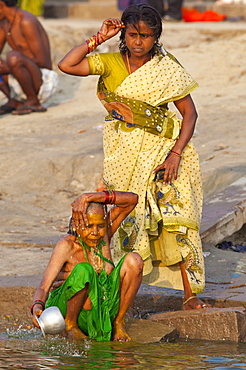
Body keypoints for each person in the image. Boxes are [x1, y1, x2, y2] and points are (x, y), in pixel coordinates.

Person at [58, 4, 209, 310]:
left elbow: (190, 114)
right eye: (133, 34)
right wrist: (97, 39)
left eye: (147, 35)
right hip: (122, 154)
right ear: (124, 33)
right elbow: (67, 65)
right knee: (125, 219)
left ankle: (189, 294)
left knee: (175, 218)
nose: (140, 41)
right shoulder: (111, 62)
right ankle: (110, 286)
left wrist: (175, 154)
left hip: (163, 152)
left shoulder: (166, 68)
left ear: (157, 37)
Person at [31, 190, 143, 341]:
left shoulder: (103, 236)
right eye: (89, 226)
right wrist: (37, 307)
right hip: (72, 312)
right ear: (77, 225)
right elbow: (44, 287)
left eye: (100, 226)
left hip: (101, 310)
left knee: (134, 260)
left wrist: (88, 197)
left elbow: (132, 200)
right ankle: (71, 327)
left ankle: (118, 323)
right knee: (84, 269)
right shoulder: (67, 245)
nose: (95, 232)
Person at [0, 0, 58, 115]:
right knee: (11, 59)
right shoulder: (4, 22)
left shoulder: (26, 20)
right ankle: (13, 100)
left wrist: (8, 68)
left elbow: (42, 60)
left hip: (43, 81)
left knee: (13, 57)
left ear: (0, 5)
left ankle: (33, 101)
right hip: (20, 79)